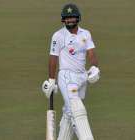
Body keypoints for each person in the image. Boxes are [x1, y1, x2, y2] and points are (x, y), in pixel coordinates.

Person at [42, 3, 100, 140]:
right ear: (63, 19)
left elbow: (91, 53)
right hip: (66, 76)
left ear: (78, 18)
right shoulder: (58, 36)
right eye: (67, 18)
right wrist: (51, 80)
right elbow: (53, 58)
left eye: (72, 18)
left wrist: (94, 67)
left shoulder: (85, 34)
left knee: (69, 112)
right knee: (76, 108)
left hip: (82, 77)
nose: (69, 20)